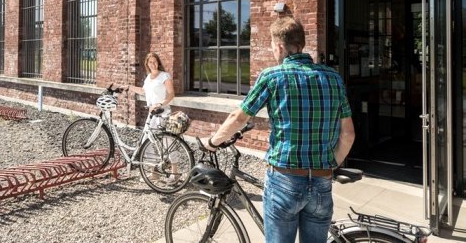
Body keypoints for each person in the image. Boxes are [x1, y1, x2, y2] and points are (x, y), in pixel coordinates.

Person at [201, 16, 355, 243]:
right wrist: (330, 164)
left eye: (273, 47)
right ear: (300, 44)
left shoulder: (272, 76)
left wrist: (212, 142)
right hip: (322, 180)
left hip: (285, 178)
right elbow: (348, 134)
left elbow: (239, 117)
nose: (274, 52)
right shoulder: (332, 78)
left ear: (280, 46)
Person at [125, 52, 178, 181]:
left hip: (163, 114)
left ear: (158, 62)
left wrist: (160, 104)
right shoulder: (149, 77)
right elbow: (143, 91)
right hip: (151, 115)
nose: (153, 64)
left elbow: (171, 94)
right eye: (150, 62)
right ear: (147, 64)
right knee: (147, 143)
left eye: (154, 61)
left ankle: (175, 173)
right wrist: (129, 87)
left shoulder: (164, 76)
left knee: (167, 142)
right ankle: (155, 172)